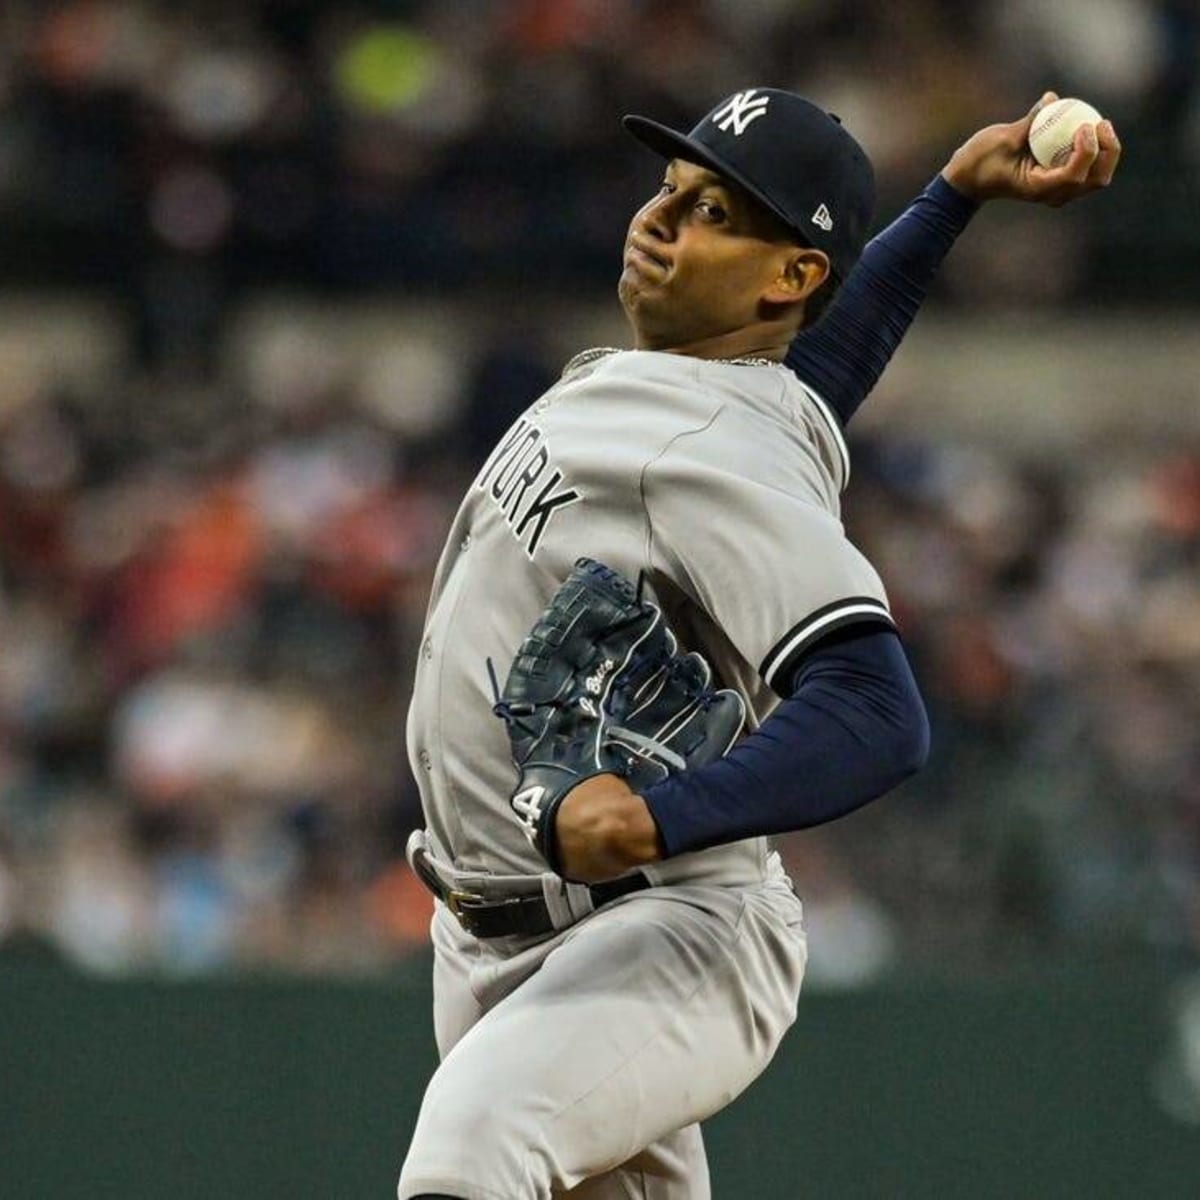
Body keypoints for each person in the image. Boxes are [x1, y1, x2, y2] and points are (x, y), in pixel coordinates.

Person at [397, 88, 1120, 1199]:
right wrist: (950, 200)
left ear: (789, 278)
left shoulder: (716, 445)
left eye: (715, 213)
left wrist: (657, 816)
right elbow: (815, 388)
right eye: (671, 190)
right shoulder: (722, 399)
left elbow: (876, 712)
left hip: (658, 931)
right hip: (500, 938)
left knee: (468, 1157)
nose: (662, 219)